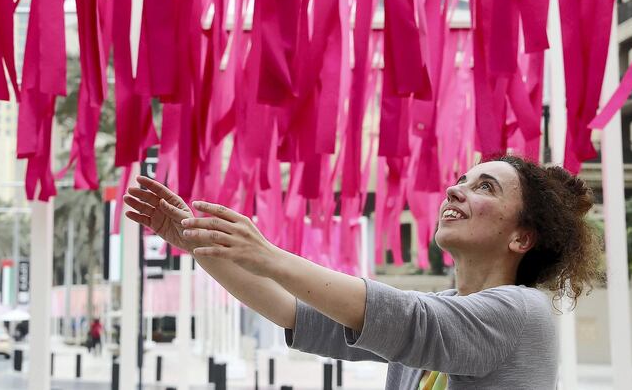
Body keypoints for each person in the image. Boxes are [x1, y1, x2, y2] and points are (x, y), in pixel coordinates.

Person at [124, 155, 601, 389]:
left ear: (522, 238)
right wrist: (200, 245)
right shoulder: (443, 313)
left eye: (485, 187)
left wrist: (267, 254)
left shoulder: (522, 311)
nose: (455, 191)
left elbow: (408, 318)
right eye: (460, 180)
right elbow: (294, 312)